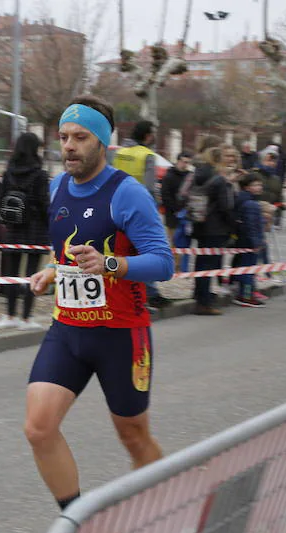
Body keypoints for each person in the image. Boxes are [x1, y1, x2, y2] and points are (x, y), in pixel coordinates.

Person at [24, 96, 173, 511]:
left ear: (103, 143)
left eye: (80, 137)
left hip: (121, 334)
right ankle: (77, 525)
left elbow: (163, 264)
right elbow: (69, 254)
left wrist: (111, 264)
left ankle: (167, 510)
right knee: (38, 429)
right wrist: (53, 271)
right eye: (63, 137)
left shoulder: (127, 194)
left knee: (133, 436)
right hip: (68, 329)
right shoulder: (56, 187)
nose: (68, 146)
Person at [0, 132, 51, 330]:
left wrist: (8, 218)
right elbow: (44, 203)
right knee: (32, 274)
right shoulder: (40, 174)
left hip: (14, 227)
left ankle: (9, 315)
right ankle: (26, 317)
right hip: (35, 228)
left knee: (11, 273)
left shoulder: (9, 172)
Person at [112, 120, 172, 309]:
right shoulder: (147, 155)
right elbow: (150, 186)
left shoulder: (119, 152)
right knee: (148, 252)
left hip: (117, 207)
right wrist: (155, 209)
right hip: (140, 210)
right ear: (148, 136)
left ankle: (125, 294)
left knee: (122, 251)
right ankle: (149, 294)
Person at [190, 146, 237, 316]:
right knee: (210, 266)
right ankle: (205, 303)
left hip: (200, 224)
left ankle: (198, 297)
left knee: (201, 264)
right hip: (216, 229)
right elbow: (226, 207)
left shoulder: (199, 175)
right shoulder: (219, 180)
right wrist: (234, 225)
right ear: (220, 160)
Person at [232, 173, 266, 308]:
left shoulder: (243, 199)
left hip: (243, 240)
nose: (259, 187)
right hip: (249, 243)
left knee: (244, 268)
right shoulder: (251, 204)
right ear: (247, 187)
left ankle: (243, 293)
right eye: (255, 185)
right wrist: (256, 242)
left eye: (260, 184)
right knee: (248, 270)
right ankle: (246, 296)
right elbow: (251, 225)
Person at [160, 151, 193, 272]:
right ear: (178, 161)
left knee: (184, 242)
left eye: (188, 163)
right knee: (173, 241)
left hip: (186, 215)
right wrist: (175, 209)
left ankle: (181, 266)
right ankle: (174, 266)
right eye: (183, 161)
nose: (185, 164)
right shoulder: (169, 175)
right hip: (172, 215)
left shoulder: (189, 176)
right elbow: (165, 195)